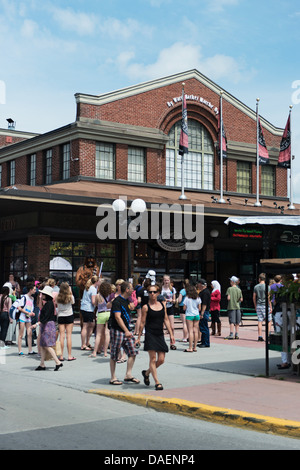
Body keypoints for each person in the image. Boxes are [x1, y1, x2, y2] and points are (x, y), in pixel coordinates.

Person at [136, 284, 174, 390]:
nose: (152, 294)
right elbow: (142, 322)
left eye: (154, 292)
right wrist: (138, 337)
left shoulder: (162, 305)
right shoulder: (145, 307)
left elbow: (166, 319)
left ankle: (147, 373)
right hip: (150, 334)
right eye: (150, 292)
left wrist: (171, 334)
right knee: (152, 359)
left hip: (160, 334)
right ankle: (157, 382)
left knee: (161, 360)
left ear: (158, 293)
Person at [109, 281, 140, 385]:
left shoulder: (126, 301)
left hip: (127, 331)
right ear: (127, 289)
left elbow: (131, 309)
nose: (132, 290)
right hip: (118, 330)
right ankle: (113, 377)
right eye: (131, 288)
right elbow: (117, 317)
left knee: (133, 351)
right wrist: (126, 331)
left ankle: (128, 374)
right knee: (114, 354)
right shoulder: (117, 301)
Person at [34, 285, 63, 371]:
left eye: (42, 293)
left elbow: (45, 317)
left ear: (46, 295)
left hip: (47, 326)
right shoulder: (49, 303)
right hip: (47, 326)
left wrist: (37, 323)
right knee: (43, 345)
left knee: (47, 345)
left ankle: (58, 362)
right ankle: (42, 364)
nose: (41, 294)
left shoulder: (49, 304)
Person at [90, 281, 112, 358]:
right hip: (109, 313)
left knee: (98, 334)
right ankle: (105, 351)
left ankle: (95, 352)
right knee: (107, 333)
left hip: (101, 314)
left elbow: (95, 304)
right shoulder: (110, 296)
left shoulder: (98, 296)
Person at [56, 282, 76, 361]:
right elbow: (73, 302)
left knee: (61, 336)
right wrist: (70, 292)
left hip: (61, 315)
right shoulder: (70, 296)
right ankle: (69, 355)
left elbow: (57, 306)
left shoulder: (58, 296)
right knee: (69, 336)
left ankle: (61, 356)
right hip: (69, 315)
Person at [17, 283, 37, 356]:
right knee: (21, 334)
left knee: (29, 333)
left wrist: (31, 313)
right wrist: (28, 312)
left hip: (28, 317)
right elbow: (19, 308)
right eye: (34, 289)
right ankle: (20, 351)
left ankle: (30, 350)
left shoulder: (32, 298)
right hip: (22, 317)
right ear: (30, 290)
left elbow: (31, 308)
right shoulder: (24, 297)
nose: (35, 291)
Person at [80, 275, 98, 351]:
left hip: (84, 308)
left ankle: (87, 342)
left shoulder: (88, 288)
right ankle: (83, 344)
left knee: (91, 325)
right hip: (88, 309)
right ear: (96, 282)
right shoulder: (93, 289)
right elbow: (93, 301)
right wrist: (99, 303)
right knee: (86, 326)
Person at [253, 273, 272, 342]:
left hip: (259, 305)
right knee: (269, 321)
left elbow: (254, 297)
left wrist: (255, 306)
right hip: (266, 305)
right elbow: (268, 298)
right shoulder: (268, 287)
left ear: (259, 279)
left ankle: (260, 336)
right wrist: (270, 306)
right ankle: (268, 335)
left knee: (260, 321)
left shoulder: (256, 287)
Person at [182, 284, 201, 352]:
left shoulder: (187, 298)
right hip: (196, 315)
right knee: (195, 330)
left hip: (189, 315)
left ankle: (190, 347)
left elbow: (184, 308)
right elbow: (199, 308)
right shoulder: (198, 298)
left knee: (190, 331)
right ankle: (195, 347)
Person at [161, 275, 177, 350]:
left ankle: (172, 343)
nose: (166, 282)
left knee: (172, 327)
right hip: (162, 308)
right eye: (165, 280)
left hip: (170, 308)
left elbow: (174, 300)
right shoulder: (160, 289)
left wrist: (172, 300)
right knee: (162, 327)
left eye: (168, 280)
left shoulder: (172, 289)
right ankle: (161, 342)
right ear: (163, 281)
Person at [197, 279, 211, 348]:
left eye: (198, 284)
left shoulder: (205, 292)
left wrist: (202, 313)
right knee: (202, 327)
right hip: (204, 311)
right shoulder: (204, 292)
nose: (197, 285)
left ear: (201, 284)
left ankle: (206, 343)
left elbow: (204, 304)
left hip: (204, 311)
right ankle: (203, 341)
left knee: (204, 327)